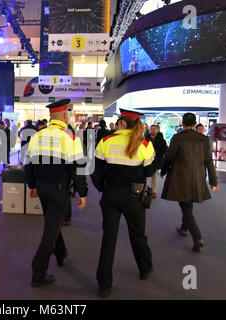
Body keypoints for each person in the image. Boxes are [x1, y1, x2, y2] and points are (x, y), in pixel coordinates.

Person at [91, 109, 156, 297]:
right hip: (134, 198)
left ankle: (104, 284)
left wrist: (103, 188)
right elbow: (150, 171)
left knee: (108, 238)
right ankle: (145, 269)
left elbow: (95, 171)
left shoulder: (106, 141)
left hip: (110, 195)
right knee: (138, 235)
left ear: (122, 123)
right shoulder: (144, 144)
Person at [26, 99, 87, 288]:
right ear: (64, 115)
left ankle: (60, 253)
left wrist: (32, 185)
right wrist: (82, 193)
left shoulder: (37, 135)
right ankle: (38, 271)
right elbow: (78, 168)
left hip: (42, 189)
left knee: (53, 223)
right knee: (51, 228)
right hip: (59, 190)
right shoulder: (71, 138)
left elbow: (29, 164)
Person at [160, 113, 219, 252]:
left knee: (185, 205)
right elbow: (209, 161)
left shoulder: (178, 138)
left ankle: (197, 237)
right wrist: (213, 181)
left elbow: (169, 157)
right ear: (194, 123)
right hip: (198, 176)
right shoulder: (204, 139)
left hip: (181, 176)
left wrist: (163, 171)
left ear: (183, 123)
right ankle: (184, 227)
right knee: (188, 201)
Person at [145, 124, 168, 198]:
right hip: (147, 159)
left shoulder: (161, 140)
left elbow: (165, 150)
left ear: (157, 130)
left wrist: (156, 153)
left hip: (157, 160)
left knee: (154, 176)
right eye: (151, 129)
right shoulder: (146, 138)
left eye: (154, 129)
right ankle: (145, 190)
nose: (153, 130)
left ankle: (153, 191)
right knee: (146, 175)